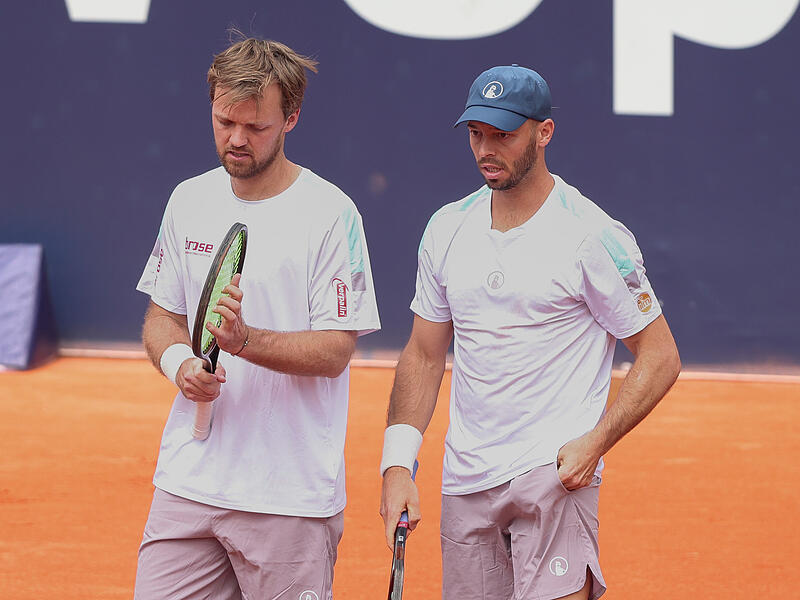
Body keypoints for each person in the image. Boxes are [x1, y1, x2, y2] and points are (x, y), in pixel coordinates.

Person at [379, 65, 680, 600]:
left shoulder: (593, 236)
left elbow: (660, 355)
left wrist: (595, 443)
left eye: (503, 135)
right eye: (476, 134)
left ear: (544, 133)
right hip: (466, 483)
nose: (485, 149)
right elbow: (424, 355)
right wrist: (397, 463)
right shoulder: (446, 228)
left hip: (551, 477)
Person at [134, 37, 380, 599]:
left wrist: (245, 341)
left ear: (291, 118)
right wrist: (180, 366)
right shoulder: (187, 199)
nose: (237, 138)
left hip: (288, 499)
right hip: (188, 486)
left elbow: (335, 351)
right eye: (225, 121)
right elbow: (162, 317)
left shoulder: (332, 214)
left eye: (256, 126)